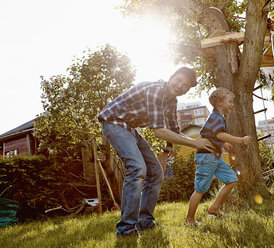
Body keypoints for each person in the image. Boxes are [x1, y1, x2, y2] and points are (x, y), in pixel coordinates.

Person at [98, 67, 215, 238]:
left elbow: (174, 131)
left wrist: (198, 142)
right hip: (113, 121)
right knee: (137, 168)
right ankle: (126, 230)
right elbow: (159, 131)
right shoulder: (156, 91)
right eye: (179, 80)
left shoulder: (172, 102)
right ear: (171, 77)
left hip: (129, 127)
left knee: (156, 173)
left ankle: (144, 221)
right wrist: (193, 143)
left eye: (186, 85)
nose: (180, 86)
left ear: (188, 90)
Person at [185, 88, 253, 226]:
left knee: (232, 180)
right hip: (206, 157)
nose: (232, 104)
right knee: (200, 189)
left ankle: (214, 208)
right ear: (220, 102)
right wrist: (241, 140)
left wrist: (223, 145)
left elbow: (213, 136)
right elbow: (219, 135)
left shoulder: (218, 118)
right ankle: (189, 220)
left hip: (215, 157)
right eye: (230, 101)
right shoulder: (216, 117)